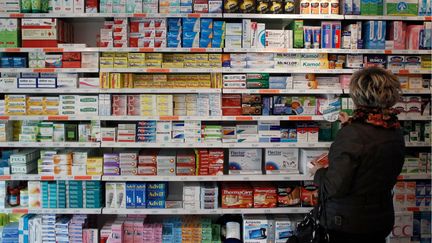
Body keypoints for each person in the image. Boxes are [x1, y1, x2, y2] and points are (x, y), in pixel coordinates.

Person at [310, 67, 405, 243]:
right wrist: (350, 128)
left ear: (358, 94)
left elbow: (334, 187)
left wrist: (318, 172)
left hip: (348, 223)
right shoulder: (394, 129)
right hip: (380, 218)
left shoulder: (353, 134)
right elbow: (370, 157)